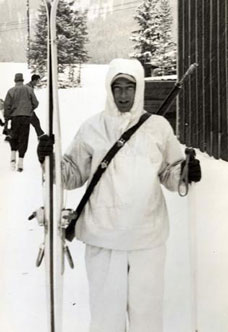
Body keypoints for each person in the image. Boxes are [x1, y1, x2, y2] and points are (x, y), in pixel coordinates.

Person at [37, 58, 201, 332]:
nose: (123, 95)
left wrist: (186, 171)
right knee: (105, 318)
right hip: (104, 238)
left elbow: (170, 172)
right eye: (118, 88)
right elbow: (71, 174)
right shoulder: (92, 127)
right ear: (109, 90)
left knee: (147, 317)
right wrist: (49, 158)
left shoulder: (158, 127)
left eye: (129, 87)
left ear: (138, 90)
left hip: (147, 238)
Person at [4, 73, 39, 172]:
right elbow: (36, 103)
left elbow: (7, 106)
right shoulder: (29, 90)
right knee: (23, 138)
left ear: (15, 80)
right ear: (22, 80)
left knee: (14, 137)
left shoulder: (11, 91)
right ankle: (20, 163)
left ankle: (12, 159)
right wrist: (29, 109)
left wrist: (7, 118)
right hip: (26, 117)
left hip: (15, 118)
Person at [26, 74, 44, 139]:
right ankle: (41, 136)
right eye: (38, 81)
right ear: (34, 80)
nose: (38, 82)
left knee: (35, 122)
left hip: (26, 109)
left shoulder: (28, 86)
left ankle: (40, 135)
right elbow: (34, 101)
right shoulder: (29, 88)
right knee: (36, 122)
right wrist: (33, 106)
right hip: (27, 109)